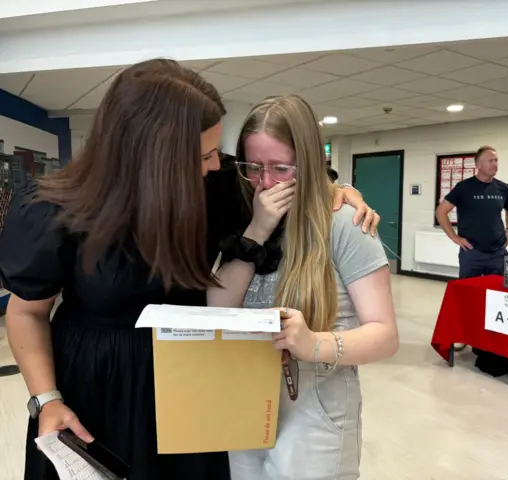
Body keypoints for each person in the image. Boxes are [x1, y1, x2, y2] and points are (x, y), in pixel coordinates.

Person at [0, 59, 380, 480]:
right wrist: (45, 398)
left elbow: (289, 180)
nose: (216, 164)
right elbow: (26, 312)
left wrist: (342, 191)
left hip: (190, 373)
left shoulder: (213, 185)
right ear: (151, 158)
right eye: (203, 155)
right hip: (97, 385)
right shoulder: (55, 209)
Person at [213, 94, 398, 480]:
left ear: (310, 162)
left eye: (281, 168)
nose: (265, 183)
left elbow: (385, 335)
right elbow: (216, 307)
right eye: (253, 167)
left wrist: (314, 343)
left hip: (316, 410)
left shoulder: (345, 223)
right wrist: (257, 230)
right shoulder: (244, 212)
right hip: (246, 399)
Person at [435, 145, 508, 278]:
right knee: (469, 294)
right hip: (472, 252)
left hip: (498, 253)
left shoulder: (504, 188)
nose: (494, 164)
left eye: (496, 160)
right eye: (490, 161)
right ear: (478, 165)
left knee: (495, 294)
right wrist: (454, 237)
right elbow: (441, 212)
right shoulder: (464, 187)